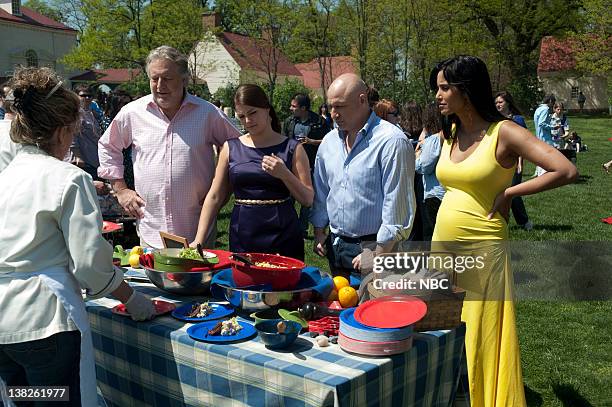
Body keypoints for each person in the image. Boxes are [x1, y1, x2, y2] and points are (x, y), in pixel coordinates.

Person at [0, 67, 155, 407]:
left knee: (25, 400)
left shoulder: (5, 177)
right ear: (60, 130)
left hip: (4, 329)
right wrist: (132, 299)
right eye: (73, 132)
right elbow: (89, 263)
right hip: (46, 325)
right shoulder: (68, 178)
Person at [430, 55, 577, 407]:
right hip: (444, 246)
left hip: (483, 249)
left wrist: (510, 191)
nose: (437, 95)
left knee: (480, 332)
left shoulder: (504, 132)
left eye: (445, 88)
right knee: (443, 327)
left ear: (466, 90)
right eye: (436, 88)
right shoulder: (450, 132)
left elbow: (564, 169)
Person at [98, 46, 241, 248]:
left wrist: (223, 193)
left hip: (198, 230)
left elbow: (239, 150)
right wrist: (121, 190)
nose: (159, 85)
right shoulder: (133, 113)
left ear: (184, 80)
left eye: (167, 78)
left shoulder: (207, 113)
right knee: (152, 280)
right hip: (151, 229)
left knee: (198, 280)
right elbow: (107, 146)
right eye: (154, 79)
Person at [311, 73, 415, 277]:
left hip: (376, 248)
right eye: (331, 107)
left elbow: (397, 205)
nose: (333, 114)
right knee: (340, 307)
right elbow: (322, 191)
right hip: (335, 246)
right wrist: (318, 231)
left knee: (373, 308)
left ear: (362, 100)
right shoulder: (329, 142)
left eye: (340, 106)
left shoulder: (391, 141)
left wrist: (380, 251)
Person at [192, 84, 313, 260]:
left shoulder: (293, 148)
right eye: (242, 116)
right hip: (244, 233)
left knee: (282, 286)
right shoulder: (230, 148)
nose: (248, 121)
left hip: (283, 234)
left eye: (253, 113)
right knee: (244, 284)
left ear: (266, 109)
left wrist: (284, 174)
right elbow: (215, 196)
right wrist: (199, 239)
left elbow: (307, 199)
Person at [282, 93, 330, 237]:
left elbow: (328, 141)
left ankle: (302, 229)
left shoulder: (319, 122)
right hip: (291, 165)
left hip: (311, 165)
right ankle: (287, 225)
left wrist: (311, 142)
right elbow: (283, 140)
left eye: (294, 106)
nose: (291, 109)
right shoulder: (289, 121)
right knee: (288, 197)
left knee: (307, 200)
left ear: (303, 108)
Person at [495, 91, 533, 231]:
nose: (497, 105)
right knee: (500, 193)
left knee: (514, 193)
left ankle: (524, 221)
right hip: (498, 163)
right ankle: (502, 221)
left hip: (514, 162)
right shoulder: (496, 120)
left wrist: (520, 162)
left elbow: (523, 144)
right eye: (496, 103)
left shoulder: (517, 120)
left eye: (500, 102)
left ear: (508, 103)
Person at [415, 102, 445, 242]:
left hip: (435, 194)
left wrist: (417, 153)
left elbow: (424, 167)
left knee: (434, 234)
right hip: (442, 192)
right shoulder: (446, 137)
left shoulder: (434, 140)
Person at [69, 85, 103, 180]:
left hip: (94, 160)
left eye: (90, 96)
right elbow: (72, 137)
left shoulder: (90, 113)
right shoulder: (75, 114)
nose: (87, 98)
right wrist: (78, 156)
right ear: (75, 96)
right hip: (83, 161)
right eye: (83, 95)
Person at [533, 94, 556, 176]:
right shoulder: (545, 109)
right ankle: (544, 174)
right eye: (553, 103)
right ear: (550, 101)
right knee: (548, 155)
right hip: (545, 137)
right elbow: (541, 123)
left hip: (539, 136)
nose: (553, 105)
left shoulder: (538, 109)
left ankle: (539, 172)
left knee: (540, 155)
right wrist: (553, 127)